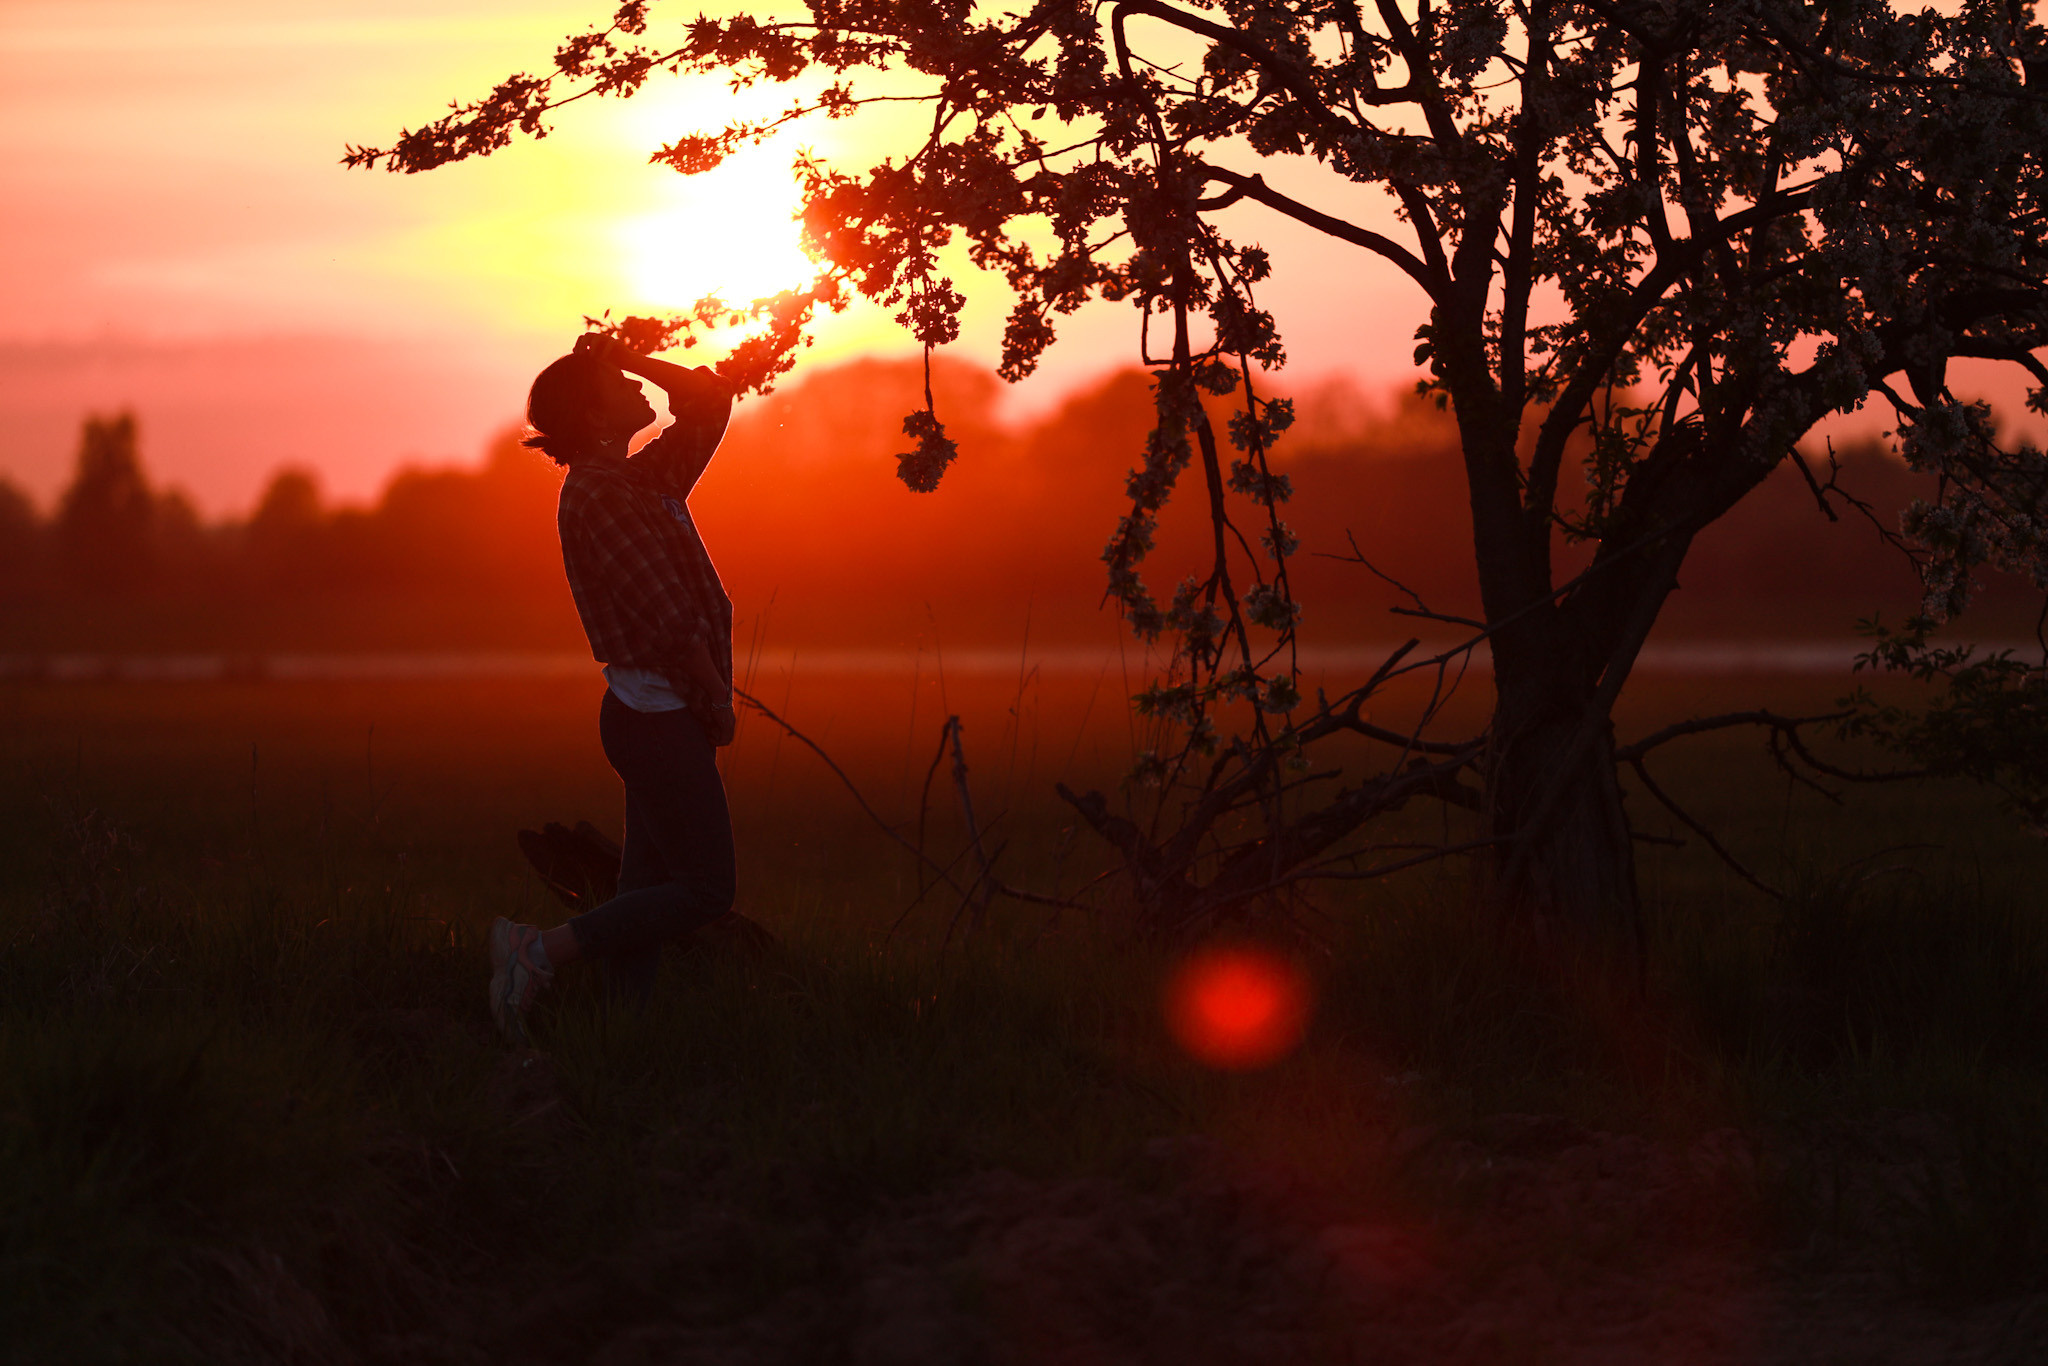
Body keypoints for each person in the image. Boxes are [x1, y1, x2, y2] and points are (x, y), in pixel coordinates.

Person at [489, 332, 739, 1043]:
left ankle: (618, 1033)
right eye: (621, 388)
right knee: (707, 890)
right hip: (659, 718)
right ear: (597, 421)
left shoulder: (641, 478)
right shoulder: (601, 494)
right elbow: (669, 619)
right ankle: (536, 951)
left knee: (643, 891)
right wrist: (714, 699)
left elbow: (710, 402)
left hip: (660, 717)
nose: (639, 395)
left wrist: (628, 358)